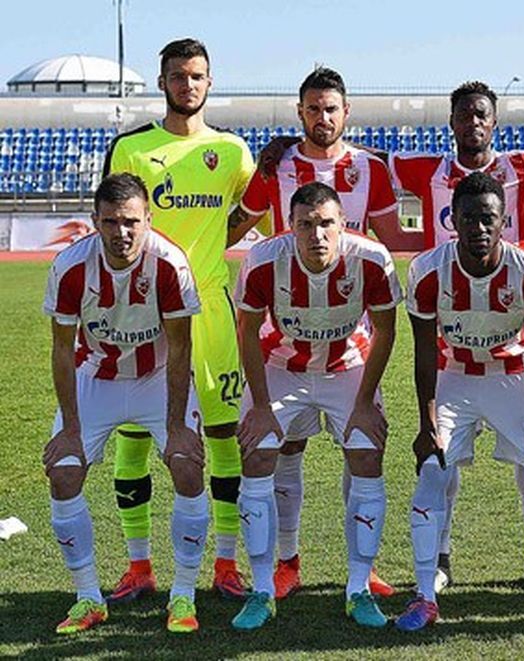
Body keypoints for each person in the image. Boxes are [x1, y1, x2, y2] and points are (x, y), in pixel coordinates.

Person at [227, 66, 412, 601]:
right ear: (300, 113)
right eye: (313, 109)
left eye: (331, 108)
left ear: (345, 112)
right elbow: (238, 224)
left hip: (347, 337)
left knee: (362, 446)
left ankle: (362, 570)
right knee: (284, 449)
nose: (322, 117)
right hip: (284, 333)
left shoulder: (370, 168)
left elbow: (392, 238)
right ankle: (286, 563)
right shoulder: (277, 163)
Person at [396, 172, 524, 633]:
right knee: (432, 473)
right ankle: (424, 594)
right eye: (469, 219)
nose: (479, 228)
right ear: (453, 220)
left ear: (504, 222)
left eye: (488, 219)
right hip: (454, 376)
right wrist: (426, 423)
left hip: (511, 375)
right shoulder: (427, 270)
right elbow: (424, 352)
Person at [102, 38, 255, 601]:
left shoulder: (233, 151)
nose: (187, 85)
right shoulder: (132, 149)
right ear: (161, 81)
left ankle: (226, 563)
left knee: (222, 434)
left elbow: (254, 209)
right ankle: (139, 566)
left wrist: (218, 242)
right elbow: (115, 223)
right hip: (145, 309)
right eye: (177, 76)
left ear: (209, 82)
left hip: (210, 308)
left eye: (196, 76)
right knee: (135, 435)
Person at [229, 181, 401, 629]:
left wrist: (365, 402)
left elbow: (386, 330)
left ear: (343, 223)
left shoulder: (371, 259)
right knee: (258, 452)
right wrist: (260, 406)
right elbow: (247, 331)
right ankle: (264, 587)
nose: (316, 235)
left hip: (347, 366)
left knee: (366, 453)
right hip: (281, 364)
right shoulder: (263, 260)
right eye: (305, 225)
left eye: (326, 223)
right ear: (290, 227)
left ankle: (359, 588)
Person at [42, 173, 207, 634]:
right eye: (111, 221)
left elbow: (180, 348)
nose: (122, 232)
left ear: (148, 219)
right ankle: (88, 598)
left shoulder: (170, 263)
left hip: (158, 376)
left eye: (131, 221)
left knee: (187, 465)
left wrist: (177, 426)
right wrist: (70, 428)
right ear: (95, 220)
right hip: (96, 376)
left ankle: (183, 596)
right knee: (64, 472)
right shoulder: (70, 266)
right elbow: (61, 350)